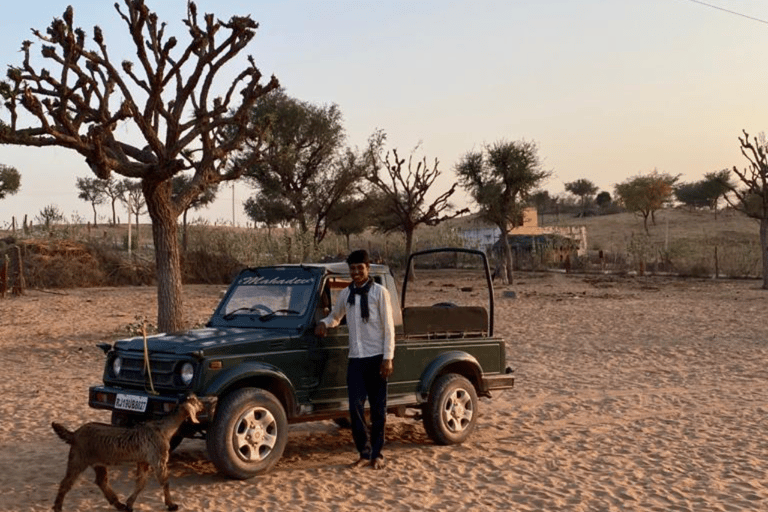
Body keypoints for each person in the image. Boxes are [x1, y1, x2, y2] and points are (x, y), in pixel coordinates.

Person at [314, 249, 395, 469]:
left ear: (368, 269)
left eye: (360, 268)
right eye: (353, 268)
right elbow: (336, 316)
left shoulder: (380, 293)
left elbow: (389, 328)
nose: (356, 272)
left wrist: (388, 358)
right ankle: (364, 453)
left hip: (377, 357)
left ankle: (378, 454)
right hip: (356, 359)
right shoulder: (345, 294)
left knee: (378, 409)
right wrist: (324, 323)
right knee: (355, 408)